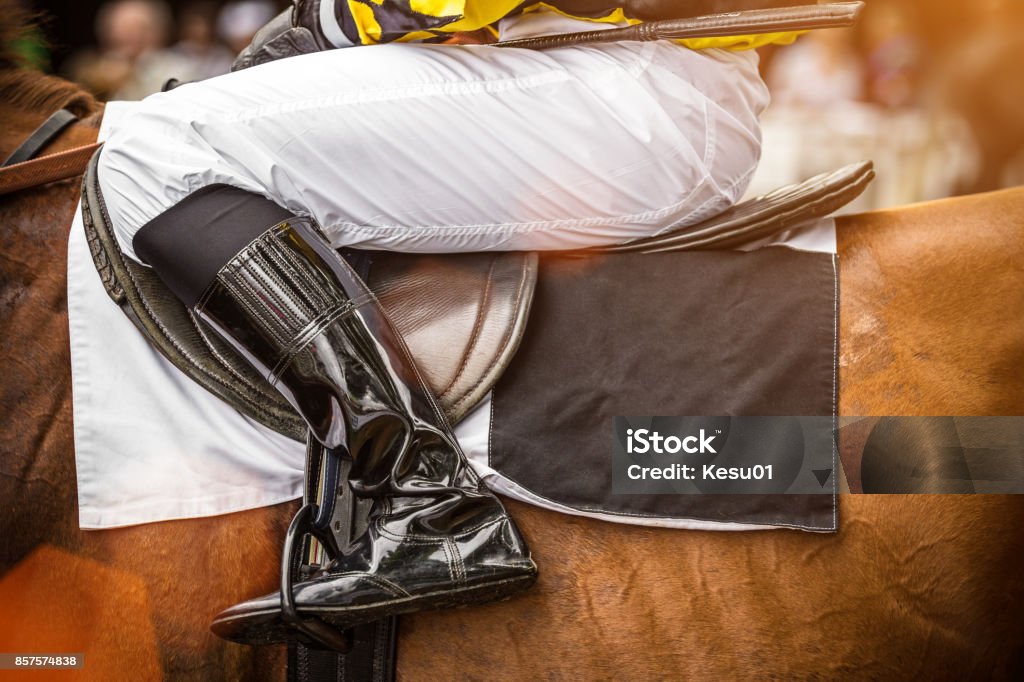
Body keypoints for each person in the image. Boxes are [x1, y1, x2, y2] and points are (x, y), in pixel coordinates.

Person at [94, 0, 795, 648]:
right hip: (616, 72)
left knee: (154, 148)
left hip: (630, 82)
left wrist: (324, 21)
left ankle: (429, 499)